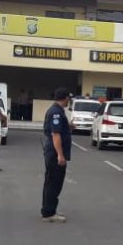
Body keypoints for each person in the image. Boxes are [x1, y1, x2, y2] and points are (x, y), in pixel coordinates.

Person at [42, 87, 71, 223]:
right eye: (68, 98)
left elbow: (59, 130)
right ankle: (48, 213)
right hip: (54, 152)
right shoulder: (56, 112)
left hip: (52, 151)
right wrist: (60, 155)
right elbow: (56, 134)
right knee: (54, 182)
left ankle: (49, 209)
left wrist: (69, 126)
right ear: (65, 98)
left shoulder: (57, 110)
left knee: (52, 182)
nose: (69, 101)